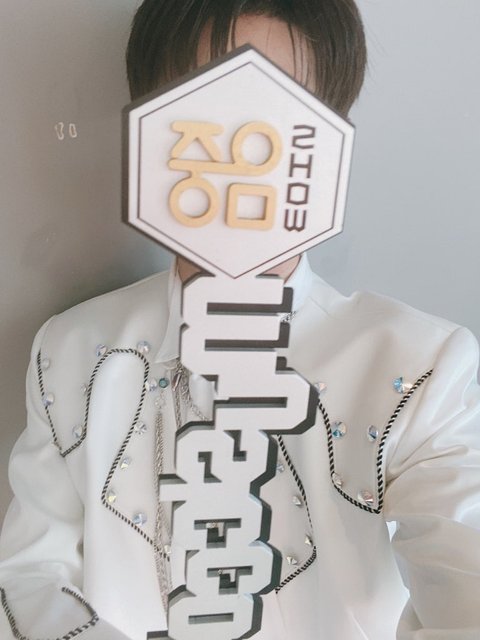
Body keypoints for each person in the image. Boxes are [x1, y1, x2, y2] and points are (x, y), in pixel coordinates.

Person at [1, 1, 479, 639]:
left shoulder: (417, 364)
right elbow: (31, 576)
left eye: (282, 111)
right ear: (147, 129)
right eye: (202, 105)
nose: (241, 149)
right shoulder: (71, 351)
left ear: (327, 146)